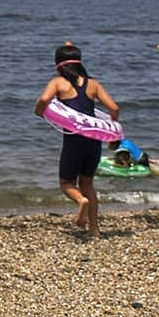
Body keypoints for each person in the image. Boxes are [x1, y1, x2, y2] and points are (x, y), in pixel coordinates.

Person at [35, 43, 119, 237]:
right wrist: (112, 131)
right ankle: (95, 230)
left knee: (66, 183)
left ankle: (81, 202)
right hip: (93, 140)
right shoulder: (94, 84)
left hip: (74, 141)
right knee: (88, 183)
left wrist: (40, 113)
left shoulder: (58, 83)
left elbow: (43, 100)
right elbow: (114, 109)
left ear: (59, 65)